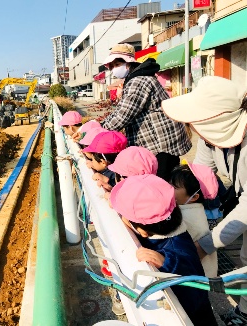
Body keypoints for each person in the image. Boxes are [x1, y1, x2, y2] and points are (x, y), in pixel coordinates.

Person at [162, 75, 247, 325]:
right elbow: (197, 175)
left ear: (216, 121)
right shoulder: (212, 141)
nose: (194, 129)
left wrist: (205, 244)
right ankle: (244, 313)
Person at [110, 174, 217, 325]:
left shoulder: (178, 249)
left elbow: (195, 291)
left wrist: (167, 263)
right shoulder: (169, 229)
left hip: (193, 318)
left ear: (143, 232)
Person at [94, 43, 191, 181]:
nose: (114, 69)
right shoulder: (135, 79)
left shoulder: (139, 80)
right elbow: (121, 110)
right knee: (162, 181)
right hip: (158, 141)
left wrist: (97, 131)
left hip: (161, 143)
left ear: (128, 63)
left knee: (160, 183)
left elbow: (123, 114)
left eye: (117, 64)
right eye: (112, 66)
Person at [170, 163, 218, 278]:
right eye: (169, 183)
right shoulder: (195, 209)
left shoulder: (187, 218)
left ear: (194, 197)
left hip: (197, 278)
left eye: (174, 187)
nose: (168, 188)